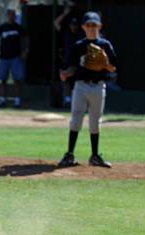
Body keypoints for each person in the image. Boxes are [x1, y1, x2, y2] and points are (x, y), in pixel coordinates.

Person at [58, 12, 117, 168]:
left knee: (95, 122)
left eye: (94, 25)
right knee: (76, 119)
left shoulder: (105, 45)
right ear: (83, 27)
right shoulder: (78, 46)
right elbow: (71, 67)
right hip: (81, 86)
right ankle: (69, 154)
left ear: (100, 26)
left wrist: (105, 63)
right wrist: (65, 74)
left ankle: (95, 156)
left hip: (98, 86)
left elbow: (113, 68)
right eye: (88, 25)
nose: (91, 28)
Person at [0, 9, 29, 109]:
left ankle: (17, 100)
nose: (11, 17)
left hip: (15, 57)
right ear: (7, 16)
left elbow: (26, 38)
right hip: (3, 57)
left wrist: (25, 51)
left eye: (13, 15)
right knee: (3, 79)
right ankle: (3, 99)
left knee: (17, 79)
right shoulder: (2, 27)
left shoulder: (18, 28)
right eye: (10, 15)